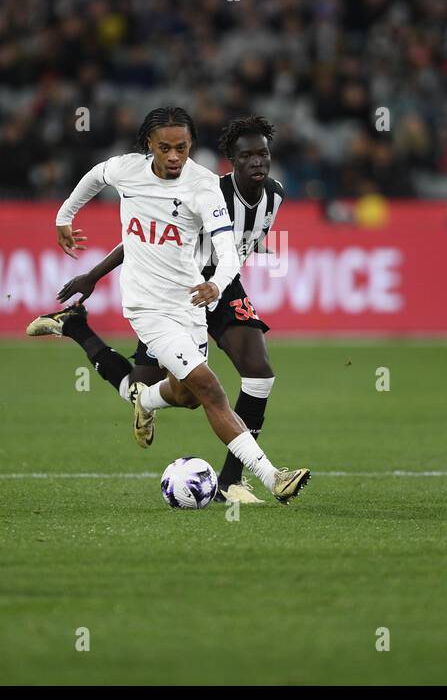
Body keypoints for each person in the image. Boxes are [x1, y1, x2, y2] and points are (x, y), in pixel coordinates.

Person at [52, 107, 309, 504]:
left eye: (183, 148)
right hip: (152, 303)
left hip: (205, 291)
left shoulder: (256, 193)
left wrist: (219, 282)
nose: (174, 157)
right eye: (165, 148)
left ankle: (153, 407)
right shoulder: (140, 173)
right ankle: (270, 476)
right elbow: (110, 194)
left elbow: (229, 250)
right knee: (206, 387)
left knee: (199, 391)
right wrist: (68, 223)